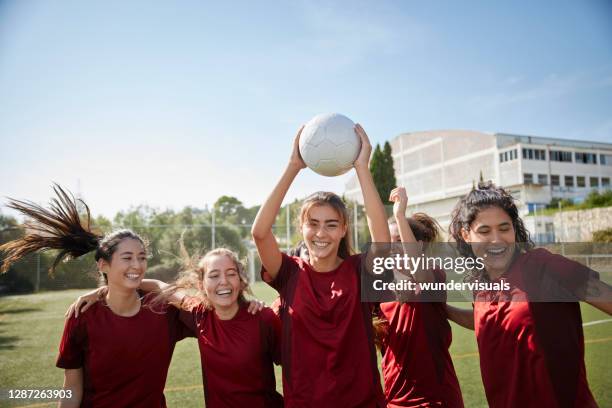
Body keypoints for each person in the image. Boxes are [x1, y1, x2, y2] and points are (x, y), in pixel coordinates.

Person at [0, 185, 189, 408]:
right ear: (103, 264)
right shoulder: (83, 316)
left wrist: (156, 285)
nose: (137, 265)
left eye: (142, 257)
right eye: (127, 258)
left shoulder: (162, 310)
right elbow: (71, 388)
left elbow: (196, 304)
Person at [251, 124, 389, 407]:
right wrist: (293, 166)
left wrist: (362, 167)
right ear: (301, 228)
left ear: (343, 229)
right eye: (312, 224)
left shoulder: (358, 270)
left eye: (331, 225)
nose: (321, 233)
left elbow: (382, 241)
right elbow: (260, 233)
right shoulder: (289, 272)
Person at [449, 181, 612, 408]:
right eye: (484, 231)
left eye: (504, 228)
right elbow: (486, 321)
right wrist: (444, 309)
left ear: (515, 230)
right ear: (466, 235)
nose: (496, 239)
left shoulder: (543, 266)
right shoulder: (481, 286)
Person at [71, 245, 283, 408]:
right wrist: (104, 289)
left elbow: (295, 370)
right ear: (201, 285)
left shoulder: (262, 318)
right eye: (214, 275)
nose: (223, 282)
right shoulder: (199, 314)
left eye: (231, 273)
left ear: (241, 279)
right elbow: (157, 286)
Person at [374, 186, 464, 407]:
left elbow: (420, 273)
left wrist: (398, 216)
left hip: (436, 399)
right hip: (395, 400)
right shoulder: (379, 288)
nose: (392, 246)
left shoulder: (433, 272)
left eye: (399, 240)